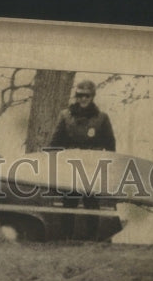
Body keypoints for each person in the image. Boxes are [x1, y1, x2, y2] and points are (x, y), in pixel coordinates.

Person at [48, 80, 116, 241]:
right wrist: (54, 162)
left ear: (92, 96)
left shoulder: (102, 118)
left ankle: (92, 239)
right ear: (76, 96)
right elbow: (55, 142)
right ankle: (66, 237)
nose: (83, 99)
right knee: (69, 202)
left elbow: (110, 145)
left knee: (91, 203)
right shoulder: (66, 116)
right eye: (79, 95)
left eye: (87, 95)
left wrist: (107, 167)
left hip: (92, 166)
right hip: (71, 165)